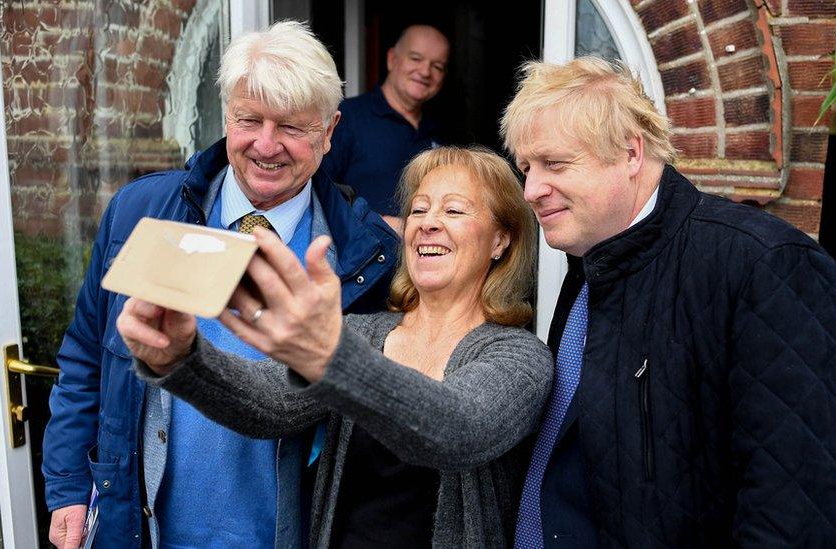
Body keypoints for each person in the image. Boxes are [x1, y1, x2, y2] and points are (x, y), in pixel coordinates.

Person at [499, 57, 836, 547]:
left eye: (554, 163)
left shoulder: (767, 268)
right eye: (526, 168)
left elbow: (811, 513)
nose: (531, 190)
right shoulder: (591, 267)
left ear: (630, 153)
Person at [42, 21, 400, 549]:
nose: (266, 145)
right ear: (225, 116)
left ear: (329, 131)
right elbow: (85, 357)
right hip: (142, 529)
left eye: (292, 127)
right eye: (248, 119)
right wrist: (68, 487)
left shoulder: (364, 255)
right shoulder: (142, 212)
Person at [117, 146, 553, 548]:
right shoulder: (362, 336)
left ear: (502, 240)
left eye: (454, 209)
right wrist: (182, 358)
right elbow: (269, 404)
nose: (428, 222)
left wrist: (330, 358)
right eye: (418, 209)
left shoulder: (519, 357)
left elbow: (457, 430)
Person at [321, 24, 450, 232]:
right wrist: (382, 224)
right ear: (392, 59)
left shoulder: (443, 132)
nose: (425, 72)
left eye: (437, 66)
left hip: (426, 255)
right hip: (360, 256)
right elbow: (318, 193)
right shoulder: (346, 118)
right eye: (416, 59)